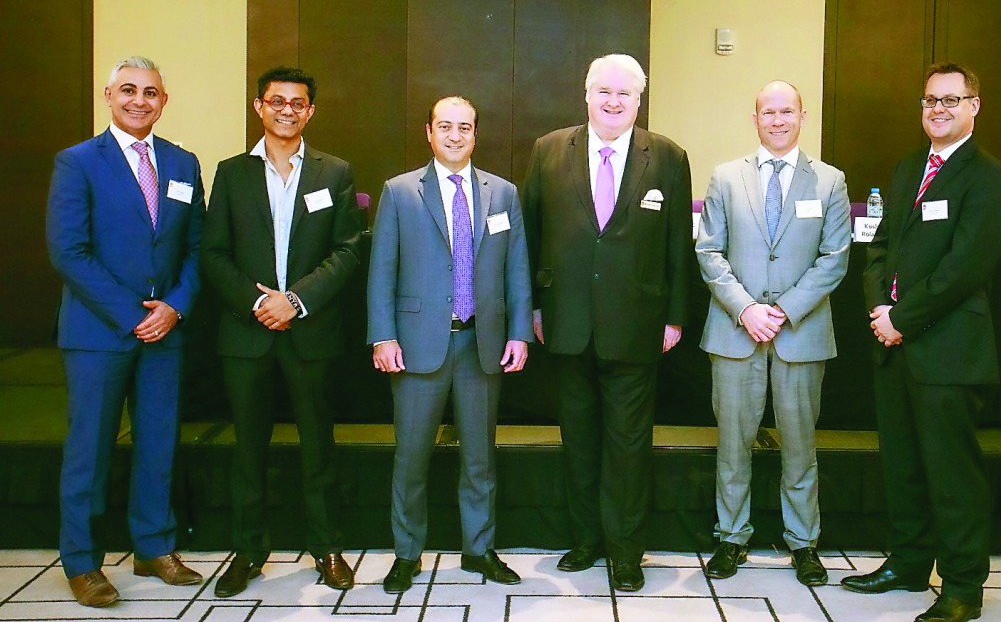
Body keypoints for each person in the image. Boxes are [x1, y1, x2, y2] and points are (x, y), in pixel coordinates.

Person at [843, 63, 1001, 622]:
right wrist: (878, 308)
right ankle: (910, 564)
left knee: (952, 475)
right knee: (904, 467)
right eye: (929, 101)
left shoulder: (988, 178)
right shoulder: (907, 168)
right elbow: (879, 244)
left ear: (974, 105)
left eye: (950, 100)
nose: (937, 109)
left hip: (946, 351)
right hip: (894, 346)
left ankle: (963, 586)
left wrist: (903, 318)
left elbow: (966, 268)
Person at [522, 53, 693, 592]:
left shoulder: (667, 156)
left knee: (627, 445)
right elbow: (529, 235)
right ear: (586, 94)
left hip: (637, 325)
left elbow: (676, 249)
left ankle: (625, 551)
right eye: (604, 91)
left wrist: (674, 317)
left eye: (625, 93)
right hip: (565, 323)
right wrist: (530, 307)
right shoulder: (549, 150)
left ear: (639, 100)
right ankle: (585, 541)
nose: (613, 101)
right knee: (579, 440)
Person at [46, 56, 205, 607]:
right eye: (129, 91)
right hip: (99, 333)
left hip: (166, 333)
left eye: (152, 93)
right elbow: (69, 251)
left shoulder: (184, 164)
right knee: (89, 450)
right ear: (107, 96)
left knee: (158, 444)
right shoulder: (78, 162)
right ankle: (82, 562)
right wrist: (134, 313)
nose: (140, 100)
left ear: (165, 101)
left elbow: (194, 249)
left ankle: (154, 546)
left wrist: (175, 308)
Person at [200, 66, 364, 597]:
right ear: (259, 107)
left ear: (310, 111)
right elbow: (214, 253)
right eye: (277, 101)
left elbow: (347, 250)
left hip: (309, 333)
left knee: (320, 447)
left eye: (298, 103)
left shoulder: (334, 172)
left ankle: (327, 548)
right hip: (246, 335)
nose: (286, 110)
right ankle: (248, 551)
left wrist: (294, 301)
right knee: (248, 449)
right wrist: (258, 301)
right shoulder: (230, 172)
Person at [367, 96, 533, 593]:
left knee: (480, 458)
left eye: (465, 127)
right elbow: (382, 271)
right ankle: (406, 553)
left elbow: (517, 269)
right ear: (429, 132)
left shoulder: (502, 194)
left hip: (481, 345)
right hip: (416, 347)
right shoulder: (399, 192)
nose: (455, 135)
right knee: (411, 456)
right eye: (446, 126)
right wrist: (382, 335)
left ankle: (479, 551)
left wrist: (520, 332)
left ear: (476, 134)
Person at [695, 80, 850, 584]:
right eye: (768, 112)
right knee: (732, 445)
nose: (778, 120)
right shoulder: (724, 177)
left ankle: (803, 542)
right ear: (755, 118)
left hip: (799, 335)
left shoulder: (830, 181)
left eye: (787, 111)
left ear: (803, 116)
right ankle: (730, 537)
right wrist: (746, 310)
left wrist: (782, 310)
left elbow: (835, 259)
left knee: (800, 447)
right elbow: (708, 251)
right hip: (736, 333)